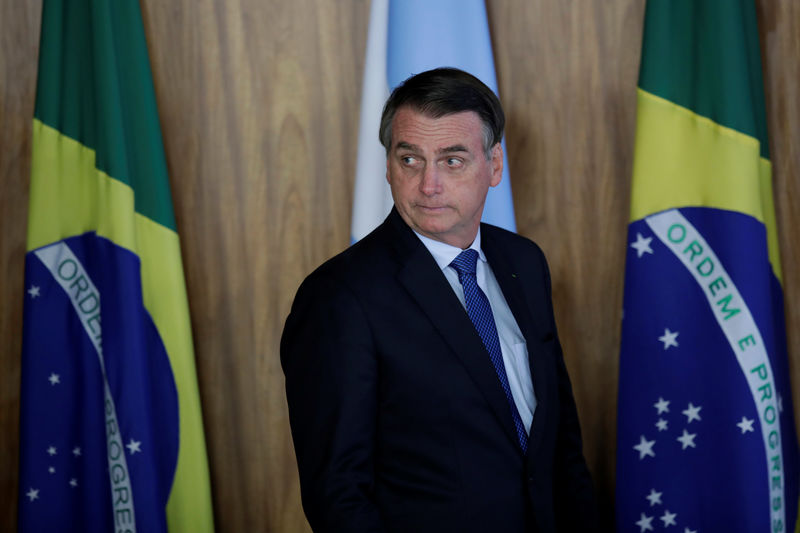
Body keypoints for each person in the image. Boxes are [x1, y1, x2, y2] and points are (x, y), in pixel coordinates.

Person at [281, 67, 597, 533]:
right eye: (410, 160)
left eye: (452, 160)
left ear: (494, 165)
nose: (428, 185)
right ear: (388, 166)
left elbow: (559, 439)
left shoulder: (524, 262)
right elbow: (338, 496)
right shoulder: (339, 297)